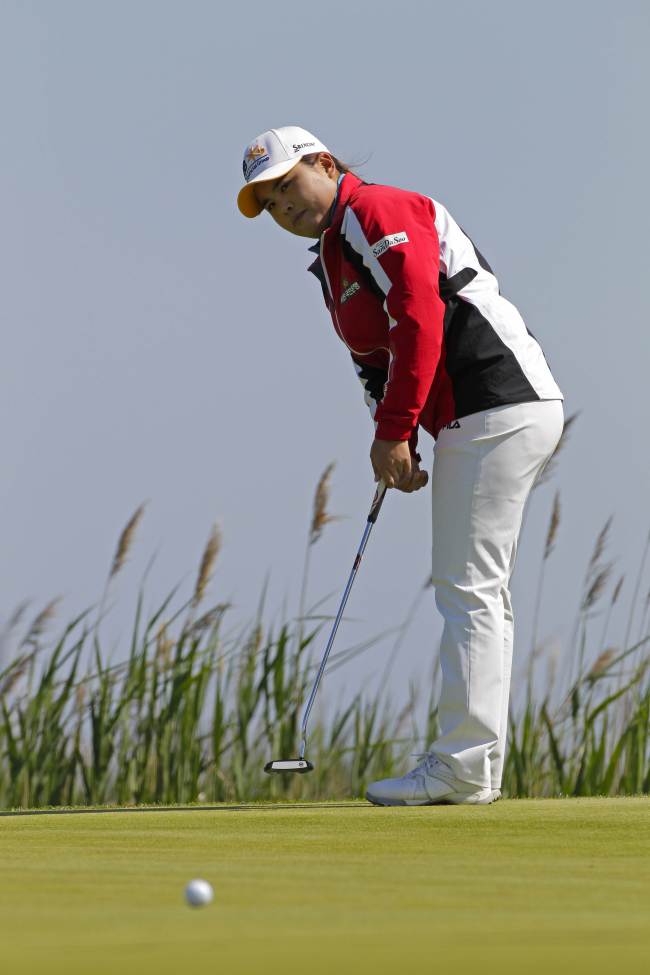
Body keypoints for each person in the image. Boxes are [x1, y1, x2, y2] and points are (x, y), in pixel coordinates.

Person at [237, 126, 564, 805]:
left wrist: (393, 431)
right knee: (478, 587)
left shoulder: (373, 211)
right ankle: (472, 764)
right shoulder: (332, 254)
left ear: (325, 163)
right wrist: (399, 435)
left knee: (467, 587)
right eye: (268, 203)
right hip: (481, 411)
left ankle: (463, 766)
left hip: (494, 397)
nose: (283, 207)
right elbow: (375, 358)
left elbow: (420, 314)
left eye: (288, 185)